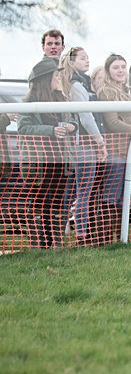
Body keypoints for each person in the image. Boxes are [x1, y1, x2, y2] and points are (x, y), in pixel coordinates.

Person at [17, 59, 77, 248]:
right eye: (55, 75)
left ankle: (56, 244)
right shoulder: (29, 101)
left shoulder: (61, 98)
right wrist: (50, 130)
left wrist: (71, 126)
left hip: (61, 161)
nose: (58, 77)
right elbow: (23, 127)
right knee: (39, 204)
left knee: (59, 203)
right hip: (38, 163)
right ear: (45, 79)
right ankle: (39, 245)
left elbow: (74, 119)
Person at [58, 47, 107, 244]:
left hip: (81, 145)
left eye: (88, 57)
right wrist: (100, 141)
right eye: (82, 58)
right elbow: (86, 117)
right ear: (71, 62)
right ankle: (81, 235)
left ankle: (69, 232)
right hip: (84, 145)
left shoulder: (80, 83)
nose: (87, 61)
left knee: (76, 191)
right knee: (83, 193)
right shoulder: (77, 85)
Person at [96, 54, 131, 243]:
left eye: (123, 67)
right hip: (115, 150)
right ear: (108, 71)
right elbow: (112, 122)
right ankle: (106, 238)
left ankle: (121, 238)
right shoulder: (106, 92)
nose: (121, 71)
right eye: (116, 67)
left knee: (124, 195)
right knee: (111, 195)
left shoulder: (129, 91)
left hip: (130, 149)